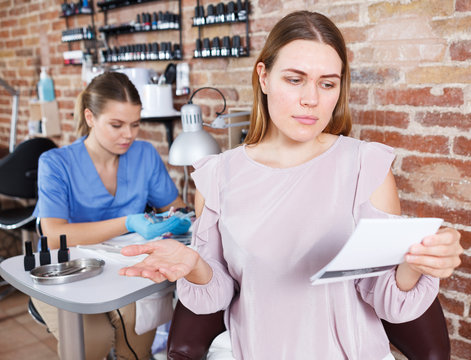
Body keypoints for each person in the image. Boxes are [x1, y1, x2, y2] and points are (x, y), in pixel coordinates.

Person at [118, 11, 463, 359]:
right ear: (264, 77)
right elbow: (219, 293)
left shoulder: (366, 166)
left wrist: (417, 263)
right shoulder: (217, 175)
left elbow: (388, 298)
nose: (311, 99)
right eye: (295, 79)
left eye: (327, 83)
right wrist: (193, 265)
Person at [32, 71, 190, 360]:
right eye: (116, 125)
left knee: (137, 339)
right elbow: (53, 234)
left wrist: (177, 217)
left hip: (123, 270)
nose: (128, 135)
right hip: (66, 272)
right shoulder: (56, 163)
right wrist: (128, 222)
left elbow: (173, 206)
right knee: (94, 340)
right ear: (90, 117)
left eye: (135, 124)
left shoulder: (144, 154)